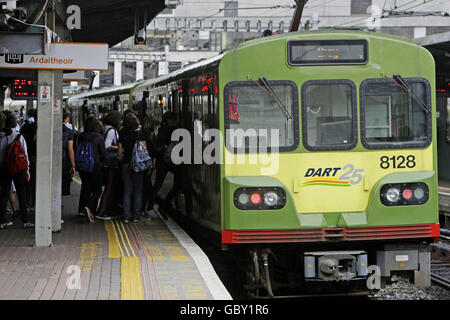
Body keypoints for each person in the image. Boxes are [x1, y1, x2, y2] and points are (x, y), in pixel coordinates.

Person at [0, 114, 34, 229]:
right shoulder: (19, 137)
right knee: (22, 194)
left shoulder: (1, 136)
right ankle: (25, 221)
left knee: (4, 195)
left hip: (4, 169)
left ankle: (2, 221)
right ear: (16, 124)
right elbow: (25, 154)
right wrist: (27, 169)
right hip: (19, 169)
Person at [77, 117, 105, 223]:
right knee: (97, 190)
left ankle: (81, 209)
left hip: (82, 166)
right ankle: (89, 208)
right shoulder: (98, 137)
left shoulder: (81, 136)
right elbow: (103, 153)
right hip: (94, 166)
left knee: (86, 187)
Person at [118, 113, 145, 223]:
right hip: (138, 164)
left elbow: (120, 151)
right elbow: (144, 149)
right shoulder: (140, 133)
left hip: (126, 164)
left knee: (127, 190)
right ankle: (136, 216)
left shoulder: (121, 133)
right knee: (138, 190)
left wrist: (121, 157)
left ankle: (126, 216)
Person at [153, 111, 179, 220]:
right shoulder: (169, 131)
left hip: (164, 161)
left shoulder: (162, 130)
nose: (177, 121)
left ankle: (156, 205)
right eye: (175, 119)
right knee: (159, 184)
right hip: (166, 161)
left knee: (159, 184)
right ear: (169, 120)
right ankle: (153, 206)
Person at [97, 111, 122, 220]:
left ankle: (106, 209)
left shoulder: (106, 128)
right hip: (110, 162)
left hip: (107, 162)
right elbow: (106, 145)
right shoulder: (111, 130)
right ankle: (102, 212)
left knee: (109, 187)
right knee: (109, 187)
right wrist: (119, 148)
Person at [140, 115, 159, 218]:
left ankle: (142, 209)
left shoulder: (140, 133)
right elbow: (154, 151)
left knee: (143, 187)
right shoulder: (150, 135)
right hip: (147, 164)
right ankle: (147, 209)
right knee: (148, 188)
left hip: (140, 164)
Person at [62, 108, 75, 196]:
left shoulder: (50, 130)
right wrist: (73, 165)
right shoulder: (69, 131)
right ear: (66, 118)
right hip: (64, 160)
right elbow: (70, 149)